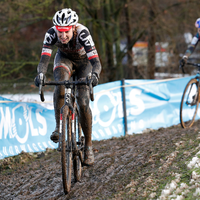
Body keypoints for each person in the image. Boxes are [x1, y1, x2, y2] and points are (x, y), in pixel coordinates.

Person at [34, 8, 102, 166]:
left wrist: (95, 75)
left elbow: (96, 62)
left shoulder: (83, 33)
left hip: (84, 63)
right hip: (64, 59)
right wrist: (41, 75)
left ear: (73, 28)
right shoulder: (51, 33)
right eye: (60, 32)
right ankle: (59, 127)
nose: (63, 36)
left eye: (66, 32)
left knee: (83, 101)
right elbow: (44, 59)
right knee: (61, 83)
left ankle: (88, 146)